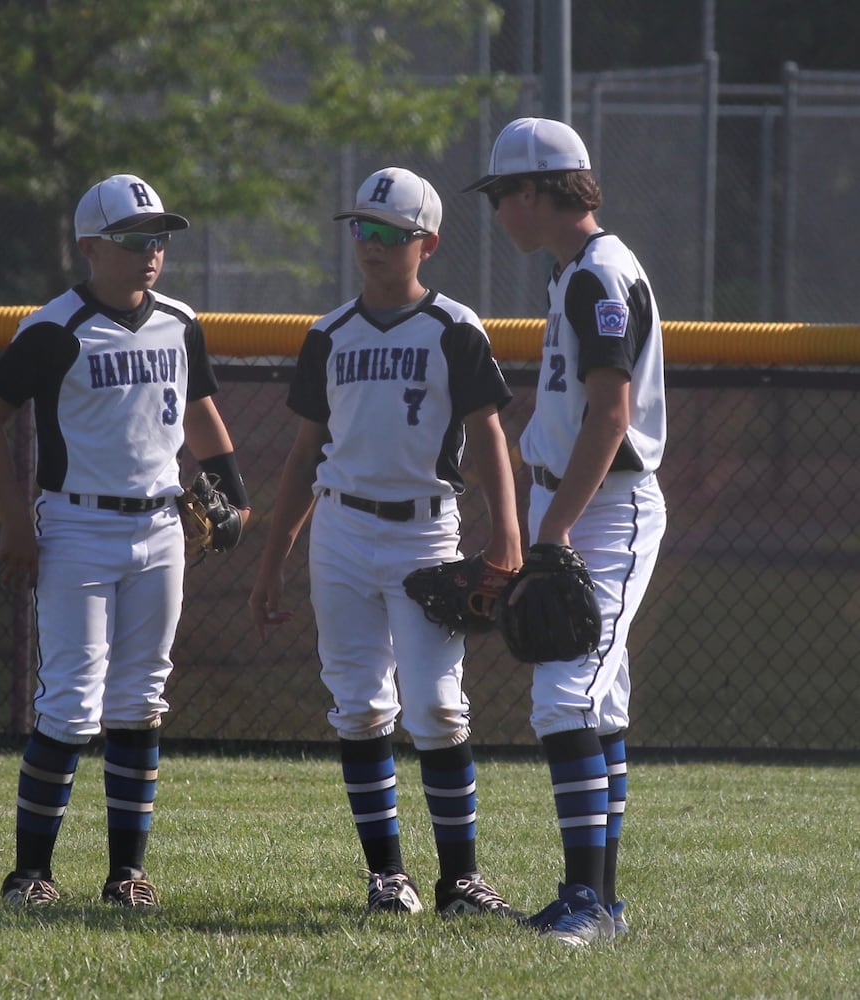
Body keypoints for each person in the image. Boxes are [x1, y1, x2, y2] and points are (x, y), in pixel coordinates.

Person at [0, 173, 250, 909]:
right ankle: (30, 873)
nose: (150, 252)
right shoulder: (53, 328)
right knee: (68, 704)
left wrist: (234, 492)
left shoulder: (180, 320)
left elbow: (199, 409)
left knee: (140, 701)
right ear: (89, 245)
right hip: (77, 524)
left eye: (157, 238)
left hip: (160, 526)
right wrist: (12, 519)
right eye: (132, 239)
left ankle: (127, 874)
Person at [249, 167, 524, 918]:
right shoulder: (327, 333)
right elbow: (305, 455)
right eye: (361, 229)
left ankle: (459, 879)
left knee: (435, 706)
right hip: (339, 527)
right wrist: (273, 560)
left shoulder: (453, 328)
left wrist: (507, 533)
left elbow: (491, 436)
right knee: (359, 706)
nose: (369, 245)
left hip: (425, 531)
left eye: (389, 234)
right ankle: (386, 877)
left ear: (426, 243)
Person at [464, 118, 667, 945]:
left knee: (562, 695)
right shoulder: (576, 272)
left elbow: (610, 416)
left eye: (501, 196)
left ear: (538, 191)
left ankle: (587, 902)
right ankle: (600, 902)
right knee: (599, 701)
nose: (497, 212)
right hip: (585, 502)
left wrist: (550, 531)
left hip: (600, 506)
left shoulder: (597, 277)